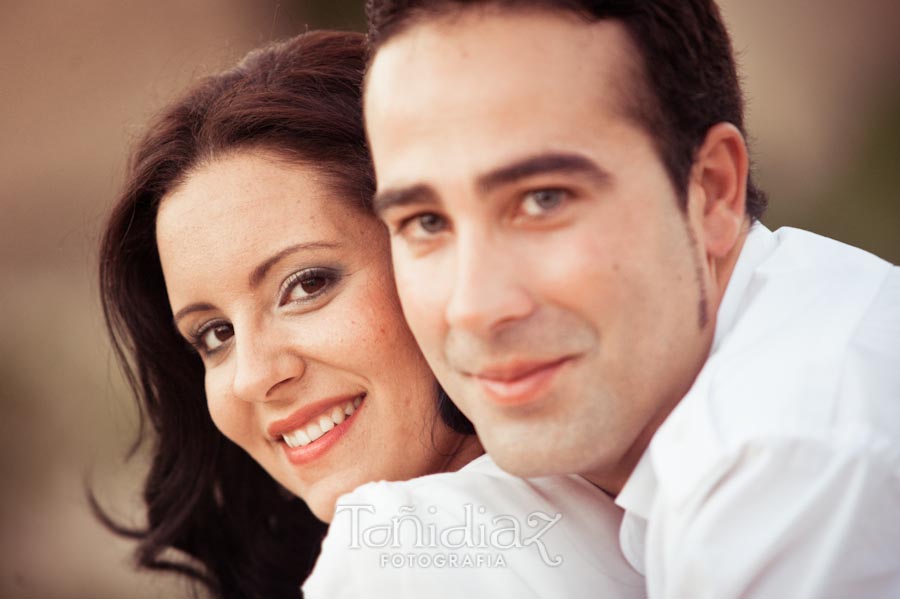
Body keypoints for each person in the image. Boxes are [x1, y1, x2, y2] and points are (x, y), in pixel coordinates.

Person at [362, 1, 900, 596]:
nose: (475, 307)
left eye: (544, 200)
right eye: (427, 222)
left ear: (711, 193)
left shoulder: (787, 465)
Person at [97, 30, 643, 599]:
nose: (254, 376)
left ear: (433, 249)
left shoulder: (398, 550)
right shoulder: (611, 518)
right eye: (214, 334)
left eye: (306, 285)